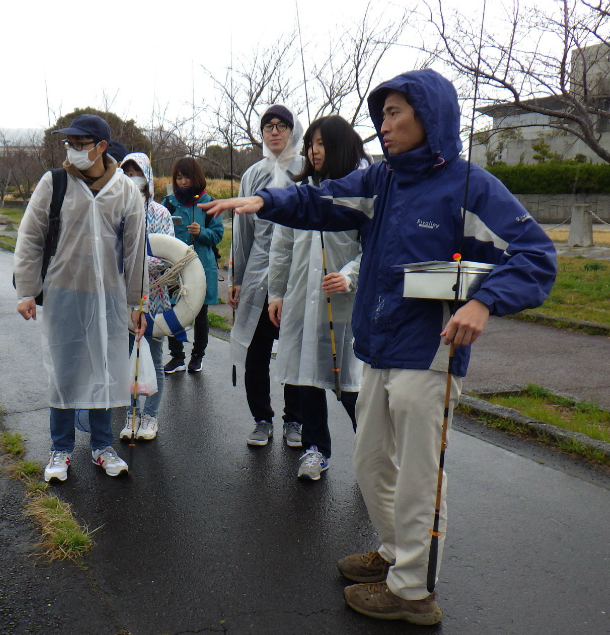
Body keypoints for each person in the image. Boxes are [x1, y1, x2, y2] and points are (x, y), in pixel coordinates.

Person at [201, 69, 556, 625]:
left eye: (394, 114)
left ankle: (414, 591)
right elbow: (322, 202)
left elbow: (536, 255)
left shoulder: (471, 186)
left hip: (431, 353)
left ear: (428, 117)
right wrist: (264, 202)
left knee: (419, 476)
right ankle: (394, 554)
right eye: (381, 115)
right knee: (370, 464)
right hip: (378, 348)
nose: (382, 126)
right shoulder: (382, 180)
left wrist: (484, 302)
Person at [14, 114, 146, 483]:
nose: (72, 149)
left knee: (105, 368)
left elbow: (135, 251)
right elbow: (31, 238)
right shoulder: (53, 183)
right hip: (64, 292)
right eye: (68, 142)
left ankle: (103, 446)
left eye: (81, 143)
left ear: (102, 147)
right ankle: (61, 448)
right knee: (64, 370)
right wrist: (26, 290)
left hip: (110, 296)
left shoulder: (125, 191)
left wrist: (138, 303)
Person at [267, 115, 368, 480]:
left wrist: (349, 275)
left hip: (342, 304)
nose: (315, 150)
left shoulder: (361, 191)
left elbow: (373, 247)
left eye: (322, 143)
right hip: (300, 298)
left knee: (348, 383)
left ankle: (374, 451)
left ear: (341, 145)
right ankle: (315, 448)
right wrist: (276, 293)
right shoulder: (300, 189)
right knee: (304, 376)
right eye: (311, 143)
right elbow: (281, 247)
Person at [228, 105, 306, 448]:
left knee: (295, 351)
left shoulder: (306, 170)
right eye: (268, 126)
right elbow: (242, 232)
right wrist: (237, 278)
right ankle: (262, 418)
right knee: (256, 351)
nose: (274, 131)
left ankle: (296, 420)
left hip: (297, 276)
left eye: (282, 125)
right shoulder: (252, 175)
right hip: (259, 276)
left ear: (293, 130)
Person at [119, 153, 174, 441]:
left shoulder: (161, 214)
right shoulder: (115, 210)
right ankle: (131, 414)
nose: (131, 178)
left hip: (155, 300)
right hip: (124, 302)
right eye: (126, 172)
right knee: (128, 358)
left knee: (153, 357)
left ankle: (151, 416)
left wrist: (136, 263)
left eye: (136, 172)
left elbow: (167, 258)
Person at [161, 157, 223, 374]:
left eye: (186, 177)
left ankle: (198, 356)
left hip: (201, 267)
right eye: (178, 178)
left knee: (200, 313)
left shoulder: (209, 202)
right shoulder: (168, 203)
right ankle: (177, 356)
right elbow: (159, 231)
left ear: (195, 177)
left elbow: (218, 234)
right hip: (173, 268)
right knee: (174, 310)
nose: (182, 182)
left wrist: (202, 233)